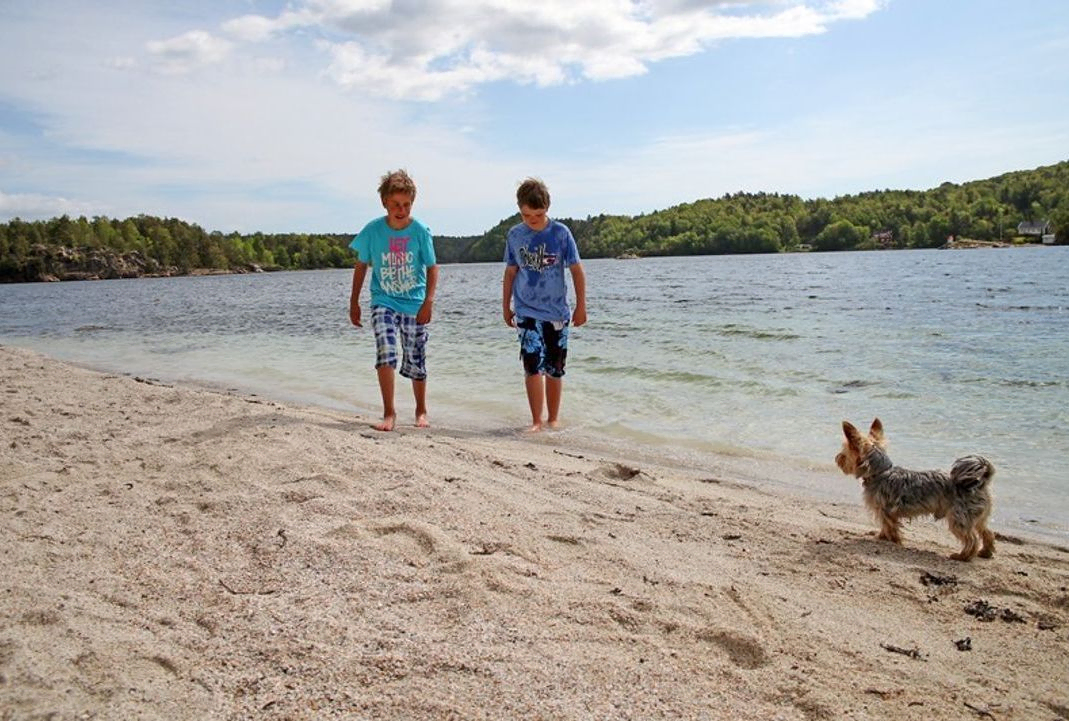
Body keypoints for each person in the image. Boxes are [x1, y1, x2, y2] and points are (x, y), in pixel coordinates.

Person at [349, 170, 438, 431]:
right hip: (383, 300)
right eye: (395, 204)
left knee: (415, 358)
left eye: (406, 204)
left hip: (414, 303)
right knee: (386, 351)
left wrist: (428, 302)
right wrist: (354, 302)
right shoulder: (373, 231)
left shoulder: (420, 231)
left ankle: (421, 410)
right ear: (384, 203)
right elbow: (361, 265)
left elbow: (433, 268)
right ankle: (389, 413)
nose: (401, 209)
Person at [502, 177, 587, 432]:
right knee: (532, 365)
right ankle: (536, 421)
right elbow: (510, 272)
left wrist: (581, 305)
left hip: (557, 313)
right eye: (527, 215)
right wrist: (505, 306)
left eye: (537, 215)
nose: (533, 221)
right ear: (520, 210)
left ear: (547, 208)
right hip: (526, 310)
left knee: (555, 368)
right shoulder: (515, 235)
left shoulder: (560, 233)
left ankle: (553, 418)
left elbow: (577, 270)